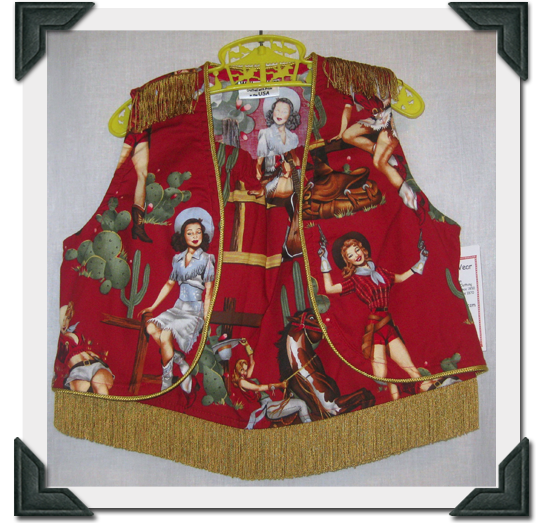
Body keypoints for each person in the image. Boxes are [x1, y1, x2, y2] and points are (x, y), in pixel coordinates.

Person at [318, 231, 435, 401]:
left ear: (363, 250)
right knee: (381, 374)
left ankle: (424, 396)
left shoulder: (381, 271)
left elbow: (401, 278)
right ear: (348, 261)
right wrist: (324, 260)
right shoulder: (355, 280)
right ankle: (396, 394)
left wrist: (422, 261)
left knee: (411, 369)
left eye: (357, 250)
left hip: (388, 323)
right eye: (350, 255)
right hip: (376, 327)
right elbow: (329, 289)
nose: (356, 255)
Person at [139, 208, 215, 401]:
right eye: (190, 233)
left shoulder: (207, 259)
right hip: (177, 307)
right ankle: (180, 362)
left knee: (165, 335)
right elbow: (169, 284)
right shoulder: (177, 259)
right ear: (183, 236)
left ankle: (166, 381)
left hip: (193, 311)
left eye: (198, 232)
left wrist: (206, 317)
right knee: (150, 327)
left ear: (203, 235)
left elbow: (209, 291)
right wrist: (152, 307)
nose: (195, 236)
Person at [330, 93, 417, 211]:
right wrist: (341, 132)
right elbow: (347, 108)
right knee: (347, 135)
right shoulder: (348, 86)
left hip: (389, 118)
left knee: (378, 162)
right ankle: (385, 155)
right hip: (376, 119)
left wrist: (394, 118)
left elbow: (395, 96)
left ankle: (407, 193)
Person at [233, 354, 312, 429]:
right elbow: (259, 388)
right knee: (301, 404)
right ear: (238, 369)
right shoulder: (242, 382)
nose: (244, 373)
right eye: (242, 370)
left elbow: (252, 363)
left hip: (270, 405)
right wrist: (279, 385)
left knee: (301, 403)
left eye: (245, 370)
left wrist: (248, 348)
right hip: (268, 408)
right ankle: (309, 429)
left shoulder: (247, 378)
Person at [250, 94, 301, 199]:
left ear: (290, 115)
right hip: (271, 177)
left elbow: (295, 159)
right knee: (283, 186)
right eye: (277, 110)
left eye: (284, 112)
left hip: (290, 176)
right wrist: (259, 177)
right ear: (272, 112)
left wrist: (295, 173)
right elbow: (259, 163)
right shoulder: (266, 134)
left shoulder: (293, 137)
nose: (279, 114)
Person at [56, 302, 114, 395]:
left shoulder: (75, 332)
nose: (64, 323)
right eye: (61, 319)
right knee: (84, 394)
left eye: (66, 318)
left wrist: (91, 353)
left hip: (95, 366)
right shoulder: (57, 338)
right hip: (77, 372)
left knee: (98, 383)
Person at [116, 128, 153, 243]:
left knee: (142, 174)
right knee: (116, 170)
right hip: (127, 131)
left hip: (142, 131)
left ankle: (138, 226)